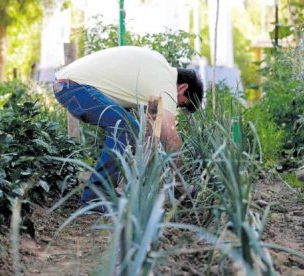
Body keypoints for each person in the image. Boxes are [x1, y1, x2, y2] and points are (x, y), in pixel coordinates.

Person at [53, 46, 204, 209]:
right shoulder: (166, 82)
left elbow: (150, 138)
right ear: (182, 88)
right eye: (180, 103)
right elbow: (170, 137)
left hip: (71, 86)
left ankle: (111, 191)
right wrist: (180, 183)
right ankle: (95, 197)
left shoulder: (159, 74)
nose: (175, 106)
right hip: (75, 87)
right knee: (125, 128)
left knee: (132, 130)